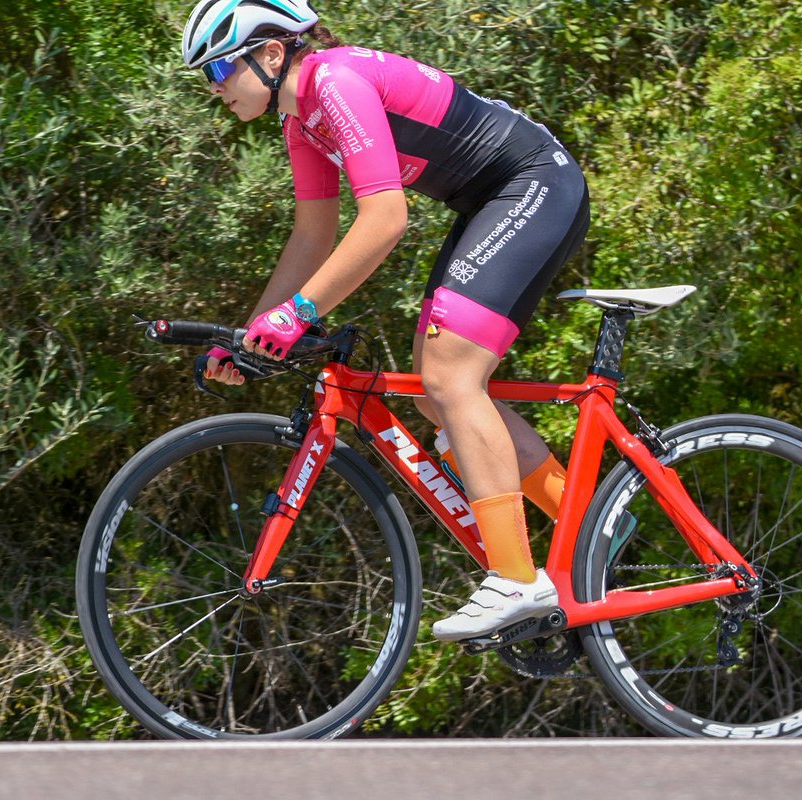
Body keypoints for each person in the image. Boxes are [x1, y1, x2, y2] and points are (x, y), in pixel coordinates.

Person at [181, 0, 590, 641]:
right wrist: (249, 334)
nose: (215, 90)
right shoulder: (302, 121)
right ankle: (589, 527)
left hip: (534, 183)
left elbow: (385, 219)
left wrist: (300, 313)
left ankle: (517, 579)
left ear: (268, 54)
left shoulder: (334, 83)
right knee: (437, 394)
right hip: (493, 199)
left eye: (218, 70)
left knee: (452, 378)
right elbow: (312, 239)